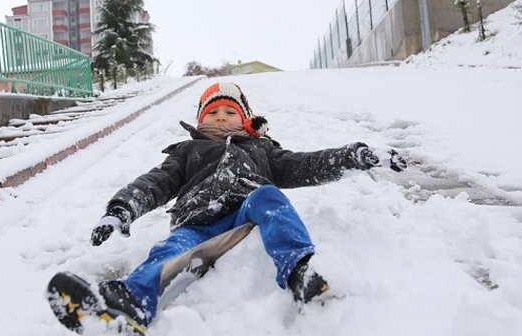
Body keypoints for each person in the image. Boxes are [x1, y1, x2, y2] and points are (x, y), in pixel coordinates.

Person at [47, 82, 407, 334]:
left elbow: (307, 164)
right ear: (202, 118)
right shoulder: (187, 152)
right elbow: (153, 183)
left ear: (245, 119)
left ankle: (300, 270)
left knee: (270, 199)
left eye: (229, 112)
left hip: (247, 211)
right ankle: (131, 300)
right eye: (213, 111)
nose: (220, 117)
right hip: (196, 221)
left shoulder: (263, 149)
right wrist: (121, 208)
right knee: (169, 250)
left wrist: (355, 156)